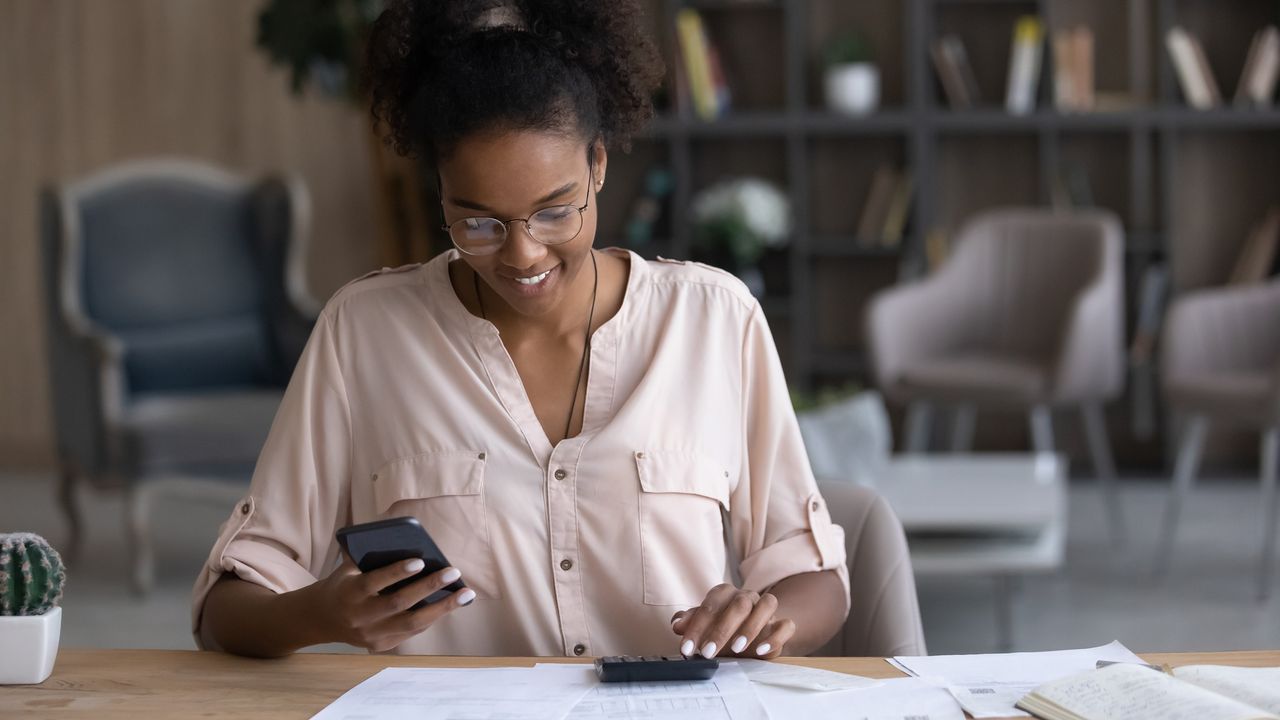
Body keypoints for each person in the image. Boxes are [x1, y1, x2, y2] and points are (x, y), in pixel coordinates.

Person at [193, 0, 849, 660]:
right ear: (440, 192)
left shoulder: (714, 320)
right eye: (478, 222)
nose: (522, 255)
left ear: (597, 164)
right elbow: (226, 608)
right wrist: (318, 615)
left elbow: (812, 576)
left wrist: (762, 621)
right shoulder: (364, 335)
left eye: (554, 212)